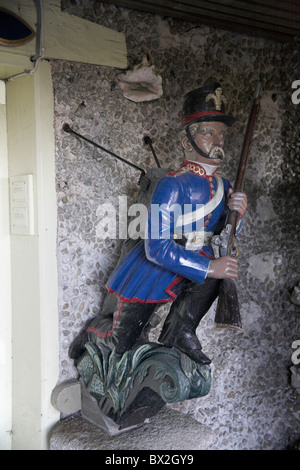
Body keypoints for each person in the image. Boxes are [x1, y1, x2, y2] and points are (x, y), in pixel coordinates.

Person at [71, 81, 247, 365]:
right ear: (185, 140)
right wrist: (209, 267)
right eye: (208, 132)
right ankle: (93, 334)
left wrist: (238, 215)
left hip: (195, 259)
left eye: (221, 133)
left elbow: (224, 234)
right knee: (120, 344)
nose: (218, 140)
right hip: (155, 265)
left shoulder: (223, 185)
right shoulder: (171, 184)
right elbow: (157, 248)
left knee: (218, 274)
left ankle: (181, 331)